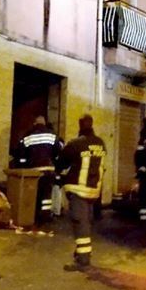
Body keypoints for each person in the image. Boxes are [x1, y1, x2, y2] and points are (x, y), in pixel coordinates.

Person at [56, 114, 106, 272]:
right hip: (94, 190)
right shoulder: (100, 143)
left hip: (78, 189)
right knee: (86, 221)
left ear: (80, 125)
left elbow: (61, 162)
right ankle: (80, 253)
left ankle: (83, 261)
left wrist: (59, 174)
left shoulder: (75, 144)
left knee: (80, 223)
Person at [13, 116, 62, 226]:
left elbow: (20, 153)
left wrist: (23, 166)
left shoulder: (28, 136)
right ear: (44, 123)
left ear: (34, 123)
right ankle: (45, 216)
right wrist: (55, 165)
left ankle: (33, 215)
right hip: (49, 170)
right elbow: (58, 152)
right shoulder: (52, 135)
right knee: (46, 194)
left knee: (35, 194)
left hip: (33, 171)